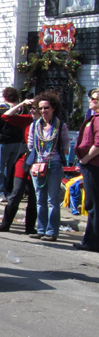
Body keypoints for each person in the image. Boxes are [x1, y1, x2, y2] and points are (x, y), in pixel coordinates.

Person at [27, 91, 69, 241]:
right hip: (38, 165)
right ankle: (41, 229)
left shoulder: (60, 126)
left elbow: (65, 146)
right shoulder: (35, 126)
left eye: (46, 108)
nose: (43, 111)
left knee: (52, 200)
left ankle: (51, 231)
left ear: (53, 108)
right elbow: (31, 145)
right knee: (40, 199)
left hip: (54, 164)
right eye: (41, 108)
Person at [0, 98, 38, 235]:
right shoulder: (27, 119)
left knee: (33, 195)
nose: (33, 110)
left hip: (39, 161)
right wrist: (22, 104)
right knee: (16, 192)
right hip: (24, 158)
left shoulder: (50, 123)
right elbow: (5, 116)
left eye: (36, 108)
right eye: (33, 108)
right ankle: (5, 224)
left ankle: (30, 228)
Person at [74, 89, 99, 252]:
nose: (90, 100)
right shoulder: (94, 117)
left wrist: (85, 159)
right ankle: (89, 240)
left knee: (93, 204)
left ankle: (92, 242)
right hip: (90, 164)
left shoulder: (97, 119)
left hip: (93, 165)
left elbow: (98, 145)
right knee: (92, 204)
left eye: (95, 98)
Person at [0, 87, 25, 203]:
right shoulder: (22, 110)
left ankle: (0, 192)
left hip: (4, 143)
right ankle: (9, 191)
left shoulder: (0, 110)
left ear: (4, 97)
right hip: (18, 143)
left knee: (0, 168)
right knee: (11, 168)